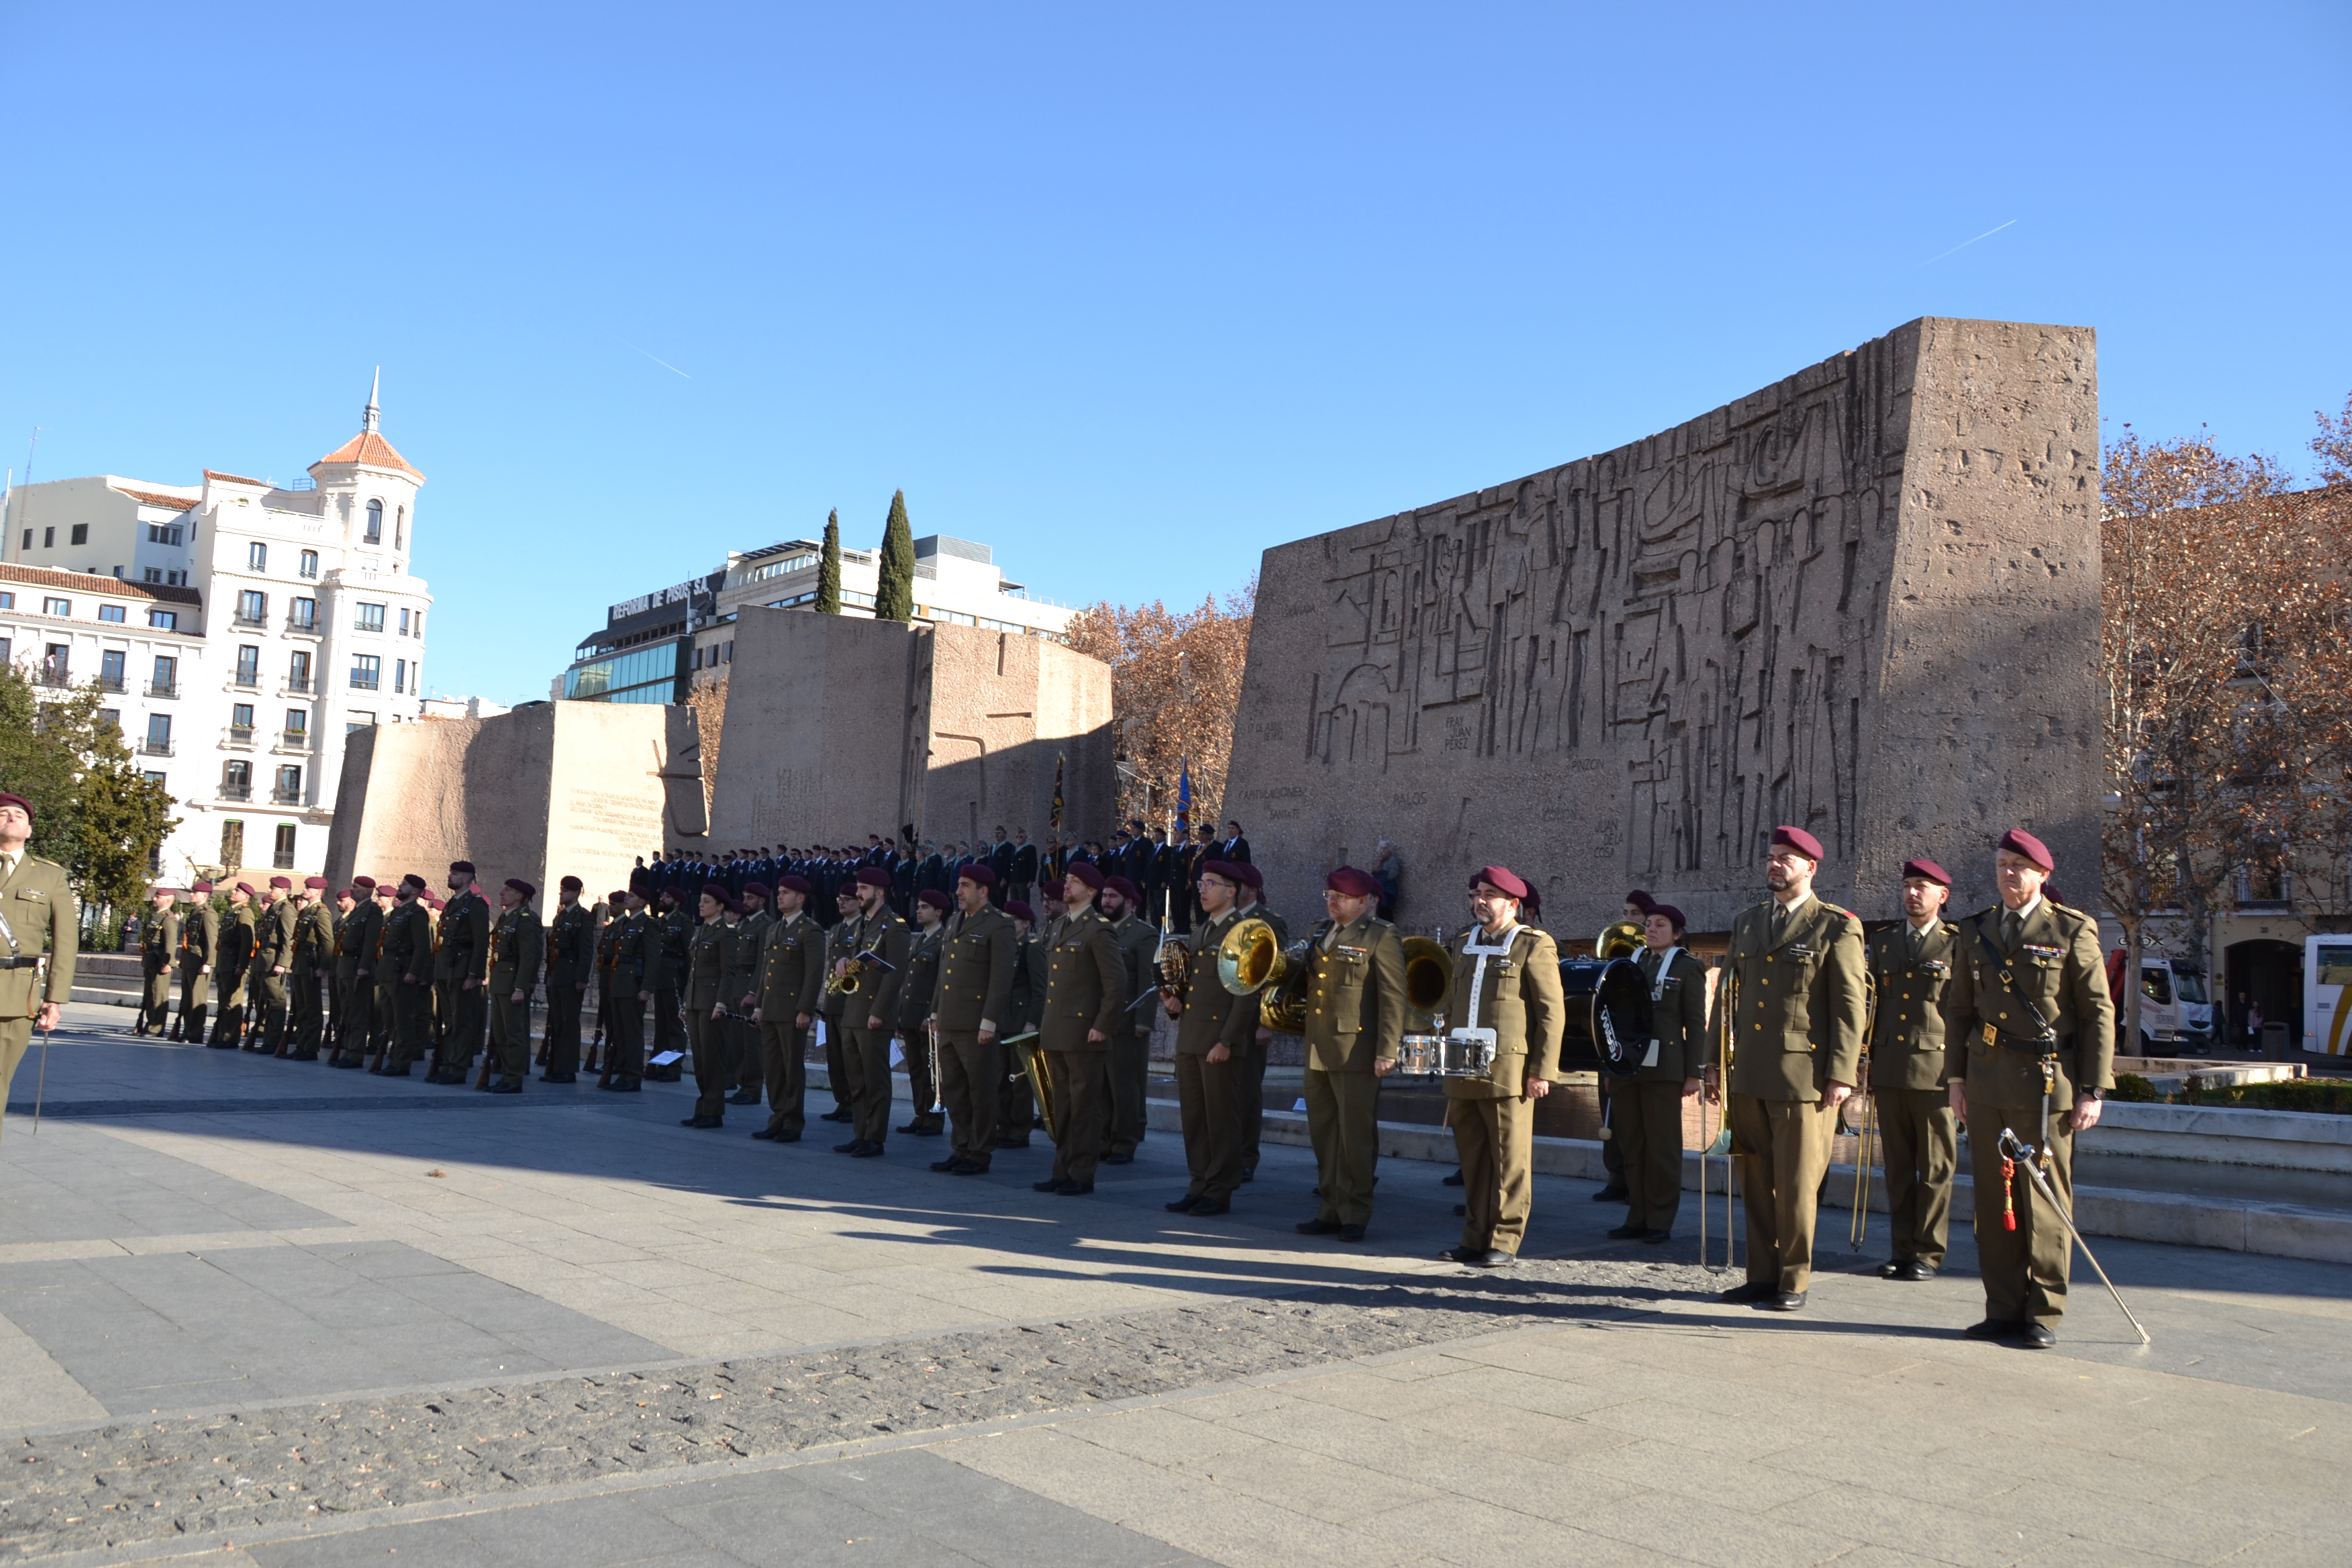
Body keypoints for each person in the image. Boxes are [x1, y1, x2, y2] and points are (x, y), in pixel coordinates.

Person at [1946, 829, 2116, 1348]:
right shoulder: (1976, 931)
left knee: (2042, 1199)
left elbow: (2097, 1014)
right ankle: (2003, 1306)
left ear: (2043, 875)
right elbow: (1959, 1011)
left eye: (2020, 866)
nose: (2008, 874)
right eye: (2002, 864)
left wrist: (2092, 1089)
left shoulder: (2070, 929)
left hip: (2046, 1085)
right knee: (1994, 1201)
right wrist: (1956, 1079)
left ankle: (2044, 1311)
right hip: (1987, 1078)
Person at [1710, 826, 1865, 1312]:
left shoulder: (1836, 926)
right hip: (1750, 1073)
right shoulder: (1749, 921)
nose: (1775, 865)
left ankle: (1793, 1280)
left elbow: (1848, 1006)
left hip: (1805, 1079)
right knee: (1754, 1179)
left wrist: (1842, 1073)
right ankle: (1761, 1275)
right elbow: (1727, 997)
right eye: (1772, 857)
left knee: (1796, 1185)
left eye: (1787, 859)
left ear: (1810, 868)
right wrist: (1714, 1064)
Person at [1433, 865, 1564, 1264]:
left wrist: (1542, 1070)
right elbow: (1452, 1002)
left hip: (1508, 1070)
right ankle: (1474, 1237)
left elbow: (1550, 1013)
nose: (1480, 902)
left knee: (1509, 1159)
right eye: (1476, 895)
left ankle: (1504, 1240)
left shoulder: (1532, 945)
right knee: (1472, 1159)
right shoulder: (1462, 942)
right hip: (1462, 1066)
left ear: (1512, 903)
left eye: (1489, 895)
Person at [1296, 866, 1409, 1243]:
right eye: (1330, 894)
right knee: (1324, 1134)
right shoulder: (1320, 933)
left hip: (1356, 1051)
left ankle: (1356, 1212)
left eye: (1341, 897)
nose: (1333, 901)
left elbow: (1393, 997)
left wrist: (1386, 1051)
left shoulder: (1381, 936)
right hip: (1318, 1047)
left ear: (1363, 902)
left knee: (1355, 1136)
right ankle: (1330, 1207)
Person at [1867, 858, 1961, 1281]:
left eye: (1922, 886)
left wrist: (1963, 1074)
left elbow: (1962, 1014)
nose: (1912, 893)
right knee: (1899, 1170)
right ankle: (1901, 1249)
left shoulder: (1956, 944)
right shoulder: (1885, 943)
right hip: (1889, 1070)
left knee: (1936, 1168)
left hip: (1936, 1072)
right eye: (1907, 885)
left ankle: (1928, 1251)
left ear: (1942, 895)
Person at [1608, 901, 1708, 1244]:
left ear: (1677, 933)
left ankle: (1660, 1220)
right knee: (1632, 1145)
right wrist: (1609, 1064)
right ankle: (1637, 1215)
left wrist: (1694, 1072)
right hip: (1626, 1067)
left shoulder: (1688, 967)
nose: (1651, 929)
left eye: (1660, 924)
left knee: (1662, 1148)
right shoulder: (1630, 961)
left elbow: (1695, 1024)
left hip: (1665, 1068)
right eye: (1648, 923)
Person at [1164, 862, 1259, 1215]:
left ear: (1231, 891)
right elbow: (1191, 987)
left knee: (1221, 1119)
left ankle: (1220, 1189)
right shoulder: (1201, 931)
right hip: (1191, 1037)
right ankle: (1199, 1183)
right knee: (1195, 1118)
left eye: (1210, 883)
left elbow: (1245, 993)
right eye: (1200, 883)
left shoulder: (1245, 930)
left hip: (1218, 1041)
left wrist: (1228, 1041)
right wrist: (1174, 1002)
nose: (1202, 889)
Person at [1032, 862, 1126, 1196]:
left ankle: (1082, 1173)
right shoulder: (1058, 927)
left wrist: (1103, 1025)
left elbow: (1116, 983)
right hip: (1057, 1031)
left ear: (1092, 891)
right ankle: (1062, 1168)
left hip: (1085, 1032)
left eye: (1075, 882)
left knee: (1084, 1106)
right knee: (1063, 1106)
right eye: (1067, 880)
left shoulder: (1097, 929)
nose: (1067, 886)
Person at [931, 864, 1017, 1175]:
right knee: (954, 1089)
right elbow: (945, 973)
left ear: (983, 891)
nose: (958, 891)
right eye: (959, 885)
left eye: (965, 886)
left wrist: (989, 1022)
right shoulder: (955, 921)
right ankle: (961, 1147)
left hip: (976, 1023)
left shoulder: (999, 925)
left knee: (979, 1091)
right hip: (951, 1020)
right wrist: (936, 1011)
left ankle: (980, 1153)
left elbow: (1001, 978)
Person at [0, 793, 76, 1128]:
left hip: (17, 998)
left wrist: (54, 999)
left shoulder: (50, 877)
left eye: (19, 815)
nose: (11, 818)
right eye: (3, 813)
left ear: (30, 830)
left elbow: (65, 941)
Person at [832, 866, 911, 1156]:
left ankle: (875, 1138)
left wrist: (879, 1011)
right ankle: (860, 1133)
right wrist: (844, 961)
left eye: (863, 888)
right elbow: (862, 963)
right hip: (853, 1011)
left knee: (875, 1079)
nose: (857, 893)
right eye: (858, 887)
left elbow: (894, 973)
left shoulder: (896, 925)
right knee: (856, 1078)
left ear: (879, 893)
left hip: (873, 1015)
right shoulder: (864, 924)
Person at [751, 875, 826, 1139]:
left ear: (800, 898)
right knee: (772, 1068)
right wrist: (759, 1006)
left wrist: (805, 1009)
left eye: (785, 893)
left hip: (792, 1011)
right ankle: (777, 1117)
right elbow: (766, 973)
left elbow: (814, 974)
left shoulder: (810, 930)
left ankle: (792, 1123)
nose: (779, 896)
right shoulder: (774, 929)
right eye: (779, 892)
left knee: (791, 1068)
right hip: (771, 1009)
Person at [1228, 862, 1286, 1181]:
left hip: (1252, 1021)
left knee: (1248, 1091)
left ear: (1250, 888)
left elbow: (1275, 976)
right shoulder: (1225, 921)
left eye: (1236, 884)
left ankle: (1247, 1156)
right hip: (1223, 1019)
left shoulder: (1269, 922)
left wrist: (1267, 1021)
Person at [1099, 875, 1158, 1164]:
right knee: (1101, 1085)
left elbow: (1149, 980)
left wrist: (1143, 1021)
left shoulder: (1143, 934)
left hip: (1126, 1021)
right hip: (1100, 1020)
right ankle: (1103, 1139)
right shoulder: (1100, 930)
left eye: (1112, 897)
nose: (1106, 902)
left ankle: (1124, 1142)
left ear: (1130, 902)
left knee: (1124, 1085)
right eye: (1105, 896)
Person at [895, 887, 951, 1136]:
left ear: (939, 912)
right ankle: (921, 1114)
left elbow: (941, 982)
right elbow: (909, 981)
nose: (918, 910)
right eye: (918, 906)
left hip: (927, 1018)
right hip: (911, 1016)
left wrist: (933, 1014)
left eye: (925, 907)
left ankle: (934, 1118)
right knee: (916, 1069)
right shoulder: (922, 938)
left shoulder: (943, 940)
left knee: (932, 1070)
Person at [681, 885, 736, 1128]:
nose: (701, 905)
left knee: (712, 1059)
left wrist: (721, 1003)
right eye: (701, 900)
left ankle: (714, 1112)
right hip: (695, 1001)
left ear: (720, 906)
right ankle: (703, 1107)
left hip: (711, 1002)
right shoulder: (701, 930)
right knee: (700, 1059)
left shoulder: (726, 933)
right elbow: (693, 972)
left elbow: (728, 972)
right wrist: (685, 1003)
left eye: (707, 901)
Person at [483, 879, 544, 1093]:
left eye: (507, 890)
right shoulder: (507, 917)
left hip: (512, 983)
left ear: (519, 896)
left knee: (514, 1033)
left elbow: (529, 956)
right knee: (500, 1034)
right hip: (500, 981)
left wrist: (521, 987)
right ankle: (507, 1074)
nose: (502, 893)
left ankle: (514, 1078)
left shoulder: (526, 920)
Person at [378, 875, 435, 1076]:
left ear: (414, 891)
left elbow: (422, 946)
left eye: (404, 885)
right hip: (389, 969)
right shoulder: (399, 911)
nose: (399, 887)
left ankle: (401, 1062)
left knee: (403, 1018)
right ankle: (394, 1054)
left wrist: (413, 971)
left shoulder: (416, 913)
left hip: (403, 970)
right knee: (390, 1016)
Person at [543, 876, 594, 1082]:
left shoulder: (583, 917)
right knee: (556, 1022)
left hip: (572, 975)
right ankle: (555, 1067)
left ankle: (568, 1069)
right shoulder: (561, 917)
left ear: (576, 893)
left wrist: (581, 978)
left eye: (565, 890)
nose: (561, 893)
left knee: (569, 1023)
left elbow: (586, 950)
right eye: (561, 889)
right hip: (557, 974)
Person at [331, 877, 384, 1067]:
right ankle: (348, 1048)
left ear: (368, 891)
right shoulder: (357, 911)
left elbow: (371, 942)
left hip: (358, 967)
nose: (352, 890)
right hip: (346, 965)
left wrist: (364, 966)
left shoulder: (372, 911)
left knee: (357, 1012)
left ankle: (356, 1053)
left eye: (357, 887)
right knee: (347, 1011)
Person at [248, 876, 297, 1055]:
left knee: (276, 1002)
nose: (269, 890)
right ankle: (267, 1039)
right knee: (266, 1002)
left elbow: (289, 939)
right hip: (264, 960)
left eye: (272, 888)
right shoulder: (275, 909)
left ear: (283, 891)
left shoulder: (286, 910)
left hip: (274, 962)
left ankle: (273, 1041)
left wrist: (283, 963)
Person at [287, 877, 335, 1058]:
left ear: (318, 892)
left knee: (312, 1008)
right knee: (301, 1007)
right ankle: (302, 1044)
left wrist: (323, 966)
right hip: (300, 961)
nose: (305, 889)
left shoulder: (321, 912)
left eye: (309, 888)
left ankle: (311, 1047)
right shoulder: (307, 911)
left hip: (311, 962)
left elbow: (328, 942)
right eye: (306, 886)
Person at [209, 883, 258, 1049]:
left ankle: (230, 1038)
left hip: (233, 962)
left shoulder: (245, 912)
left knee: (232, 1001)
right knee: (223, 1001)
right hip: (224, 961)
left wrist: (241, 965)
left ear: (246, 897)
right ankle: (222, 1035)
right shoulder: (232, 911)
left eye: (238, 891)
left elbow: (247, 942)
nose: (233, 892)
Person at [172, 882, 217, 1043]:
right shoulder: (196, 912)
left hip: (199, 961)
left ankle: (195, 1033)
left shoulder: (208, 914)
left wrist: (208, 962)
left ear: (204, 896)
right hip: (190, 959)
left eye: (194, 893)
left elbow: (212, 940)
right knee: (187, 998)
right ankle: (187, 1030)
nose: (191, 895)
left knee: (197, 998)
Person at [135, 885, 177, 1036]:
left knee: (158, 995)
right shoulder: (156, 916)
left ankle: (157, 1027)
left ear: (167, 900)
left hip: (160, 961)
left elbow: (171, 942)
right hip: (151, 960)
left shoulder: (168, 919)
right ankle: (150, 1022)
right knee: (150, 994)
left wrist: (168, 963)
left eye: (157, 897)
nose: (154, 899)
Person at [1373, 841, 1403, 924]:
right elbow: (1374, 872)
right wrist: (1380, 861)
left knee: (1386, 909)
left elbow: (1394, 872)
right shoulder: (1381, 861)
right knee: (1380, 910)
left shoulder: (1392, 860)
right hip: (1380, 889)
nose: (1383, 851)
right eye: (1382, 849)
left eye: (1385, 849)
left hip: (1388, 890)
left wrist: (1384, 881)